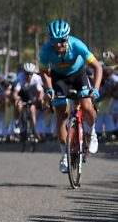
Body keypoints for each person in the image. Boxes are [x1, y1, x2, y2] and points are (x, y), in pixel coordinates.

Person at [39, 20, 102, 173]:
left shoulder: (77, 45)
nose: (58, 45)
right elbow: (43, 72)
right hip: (59, 78)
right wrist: (49, 88)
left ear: (67, 38)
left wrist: (96, 89)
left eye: (61, 41)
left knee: (87, 106)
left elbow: (97, 67)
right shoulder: (46, 51)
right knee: (61, 114)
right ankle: (65, 155)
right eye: (54, 42)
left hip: (78, 74)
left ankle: (91, 131)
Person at [12, 63, 43, 136]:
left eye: (31, 74)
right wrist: (18, 99)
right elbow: (15, 93)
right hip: (21, 94)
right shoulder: (20, 77)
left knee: (32, 109)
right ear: (24, 73)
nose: (29, 76)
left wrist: (38, 100)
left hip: (31, 94)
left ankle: (34, 130)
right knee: (18, 105)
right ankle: (17, 122)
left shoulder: (37, 78)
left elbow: (40, 92)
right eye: (27, 74)